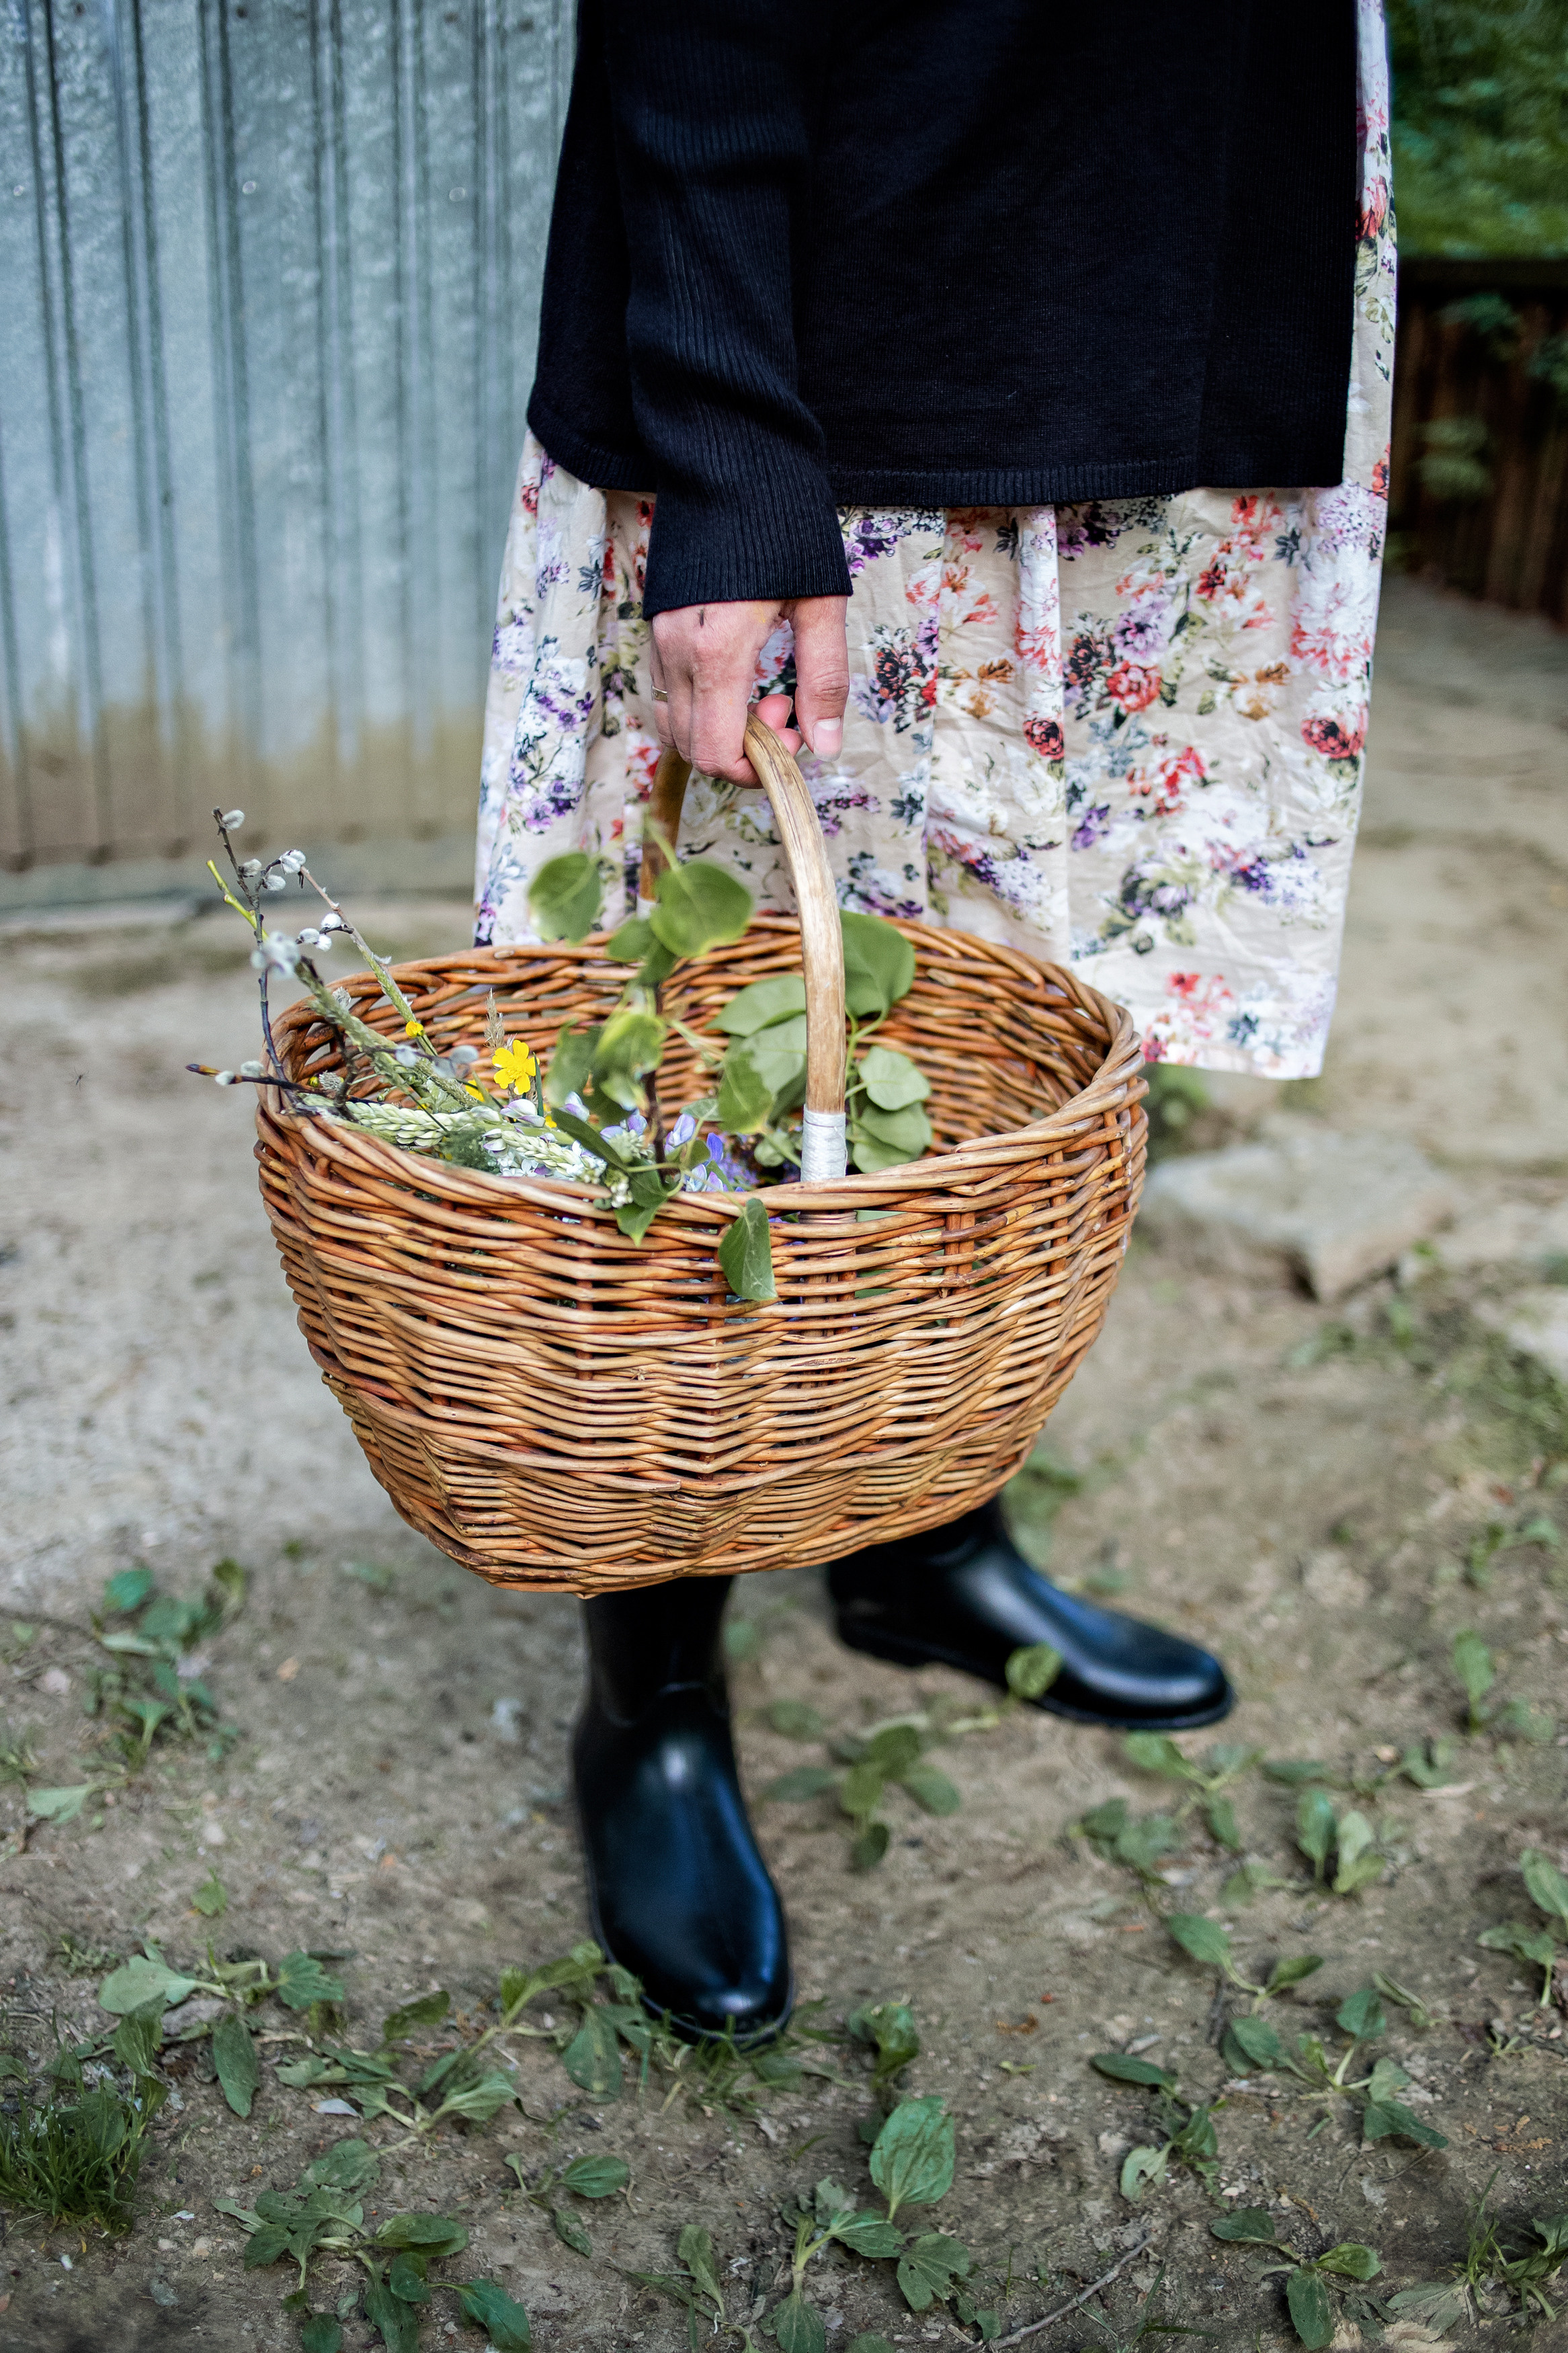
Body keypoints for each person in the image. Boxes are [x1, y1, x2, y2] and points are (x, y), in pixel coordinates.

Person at [477, 0, 1396, 2043]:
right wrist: (725, 447)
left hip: (1157, 312)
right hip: (858, 350)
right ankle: (659, 1687)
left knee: (1011, 1033)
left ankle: (919, 1533)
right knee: (718, 1046)